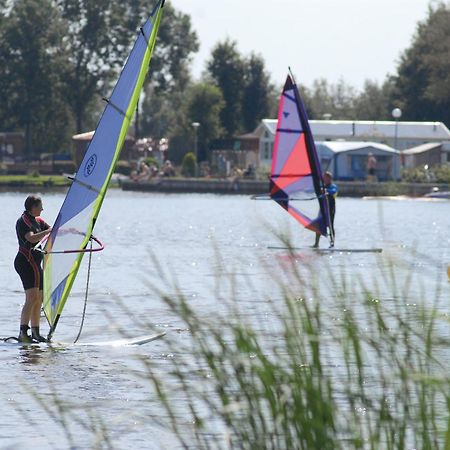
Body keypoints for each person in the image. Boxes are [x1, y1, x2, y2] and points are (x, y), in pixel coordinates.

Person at [14, 195, 52, 342]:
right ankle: (23, 333)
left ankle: (36, 333)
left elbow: (52, 229)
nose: (42, 209)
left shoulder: (38, 221)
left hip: (35, 263)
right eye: (40, 206)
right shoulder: (24, 221)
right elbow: (30, 238)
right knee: (31, 298)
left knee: (39, 298)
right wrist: (47, 232)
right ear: (32, 207)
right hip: (26, 262)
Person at [313, 171, 338, 248]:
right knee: (318, 225)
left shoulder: (333, 186)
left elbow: (333, 191)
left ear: (329, 179)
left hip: (330, 209)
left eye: (326, 178)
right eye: (324, 178)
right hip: (323, 209)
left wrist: (326, 191)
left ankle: (332, 243)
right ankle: (316, 244)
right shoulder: (322, 187)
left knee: (330, 225)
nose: (325, 179)